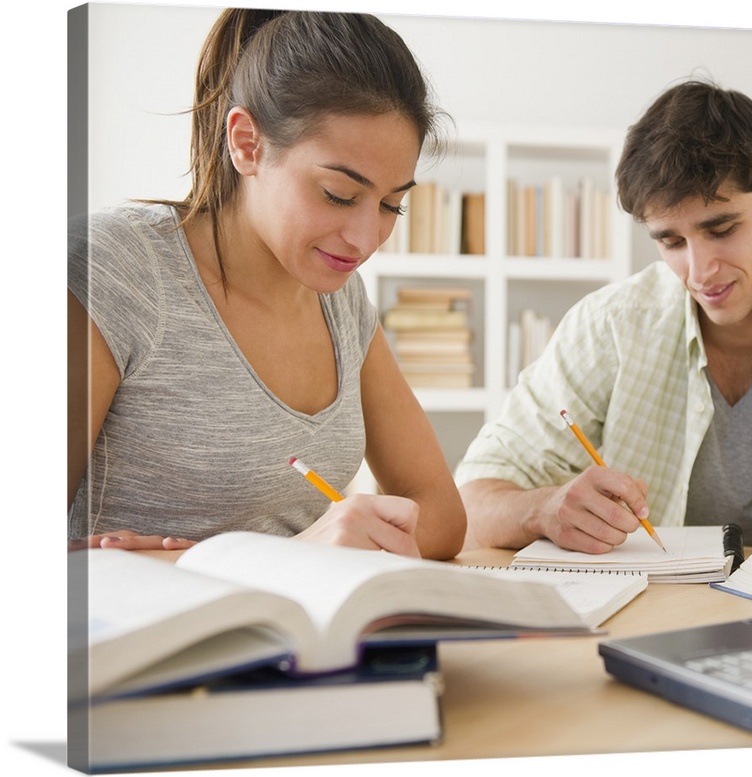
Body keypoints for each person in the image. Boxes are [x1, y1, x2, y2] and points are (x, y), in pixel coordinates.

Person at [67, 9, 466, 560]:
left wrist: (297, 554)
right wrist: (289, 555)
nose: (366, 237)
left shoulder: (341, 301)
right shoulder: (115, 267)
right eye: (338, 195)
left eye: (391, 204)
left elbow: (441, 516)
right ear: (247, 143)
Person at [455, 79, 752, 553]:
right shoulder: (612, 324)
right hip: (658, 613)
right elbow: (467, 508)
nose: (699, 271)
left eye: (722, 228)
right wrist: (544, 510)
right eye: (671, 241)